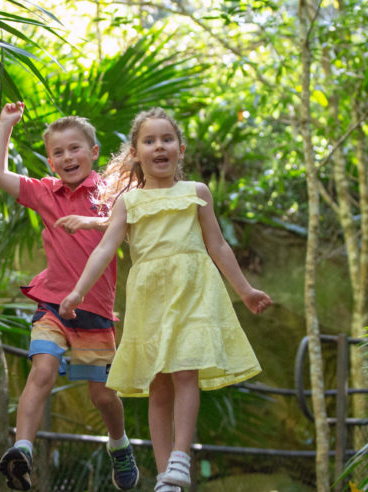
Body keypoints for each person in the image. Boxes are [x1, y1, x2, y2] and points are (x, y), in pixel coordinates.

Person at [59, 108, 271, 492]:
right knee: (158, 384)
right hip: (150, 299)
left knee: (187, 369)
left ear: (180, 148)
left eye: (166, 139)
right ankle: (165, 478)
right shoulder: (129, 202)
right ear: (136, 153)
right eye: (150, 141)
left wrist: (245, 290)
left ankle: (180, 458)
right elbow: (105, 250)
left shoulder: (196, 193)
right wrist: (77, 291)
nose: (159, 146)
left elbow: (218, 245)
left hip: (193, 292)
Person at [0, 102, 139, 491]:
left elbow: (139, 212)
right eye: (58, 152)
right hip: (52, 304)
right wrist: (5, 125)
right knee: (41, 371)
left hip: (95, 312)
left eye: (75, 148)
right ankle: (21, 450)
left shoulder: (113, 195)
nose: (67, 157)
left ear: (93, 153)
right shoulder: (45, 192)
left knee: (102, 397)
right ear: (51, 163)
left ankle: (119, 445)